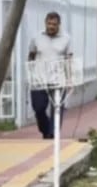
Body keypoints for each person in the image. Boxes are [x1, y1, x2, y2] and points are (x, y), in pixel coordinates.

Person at [28, 11, 72, 140]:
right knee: (38, 108)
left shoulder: (66, 39)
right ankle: (46, 129)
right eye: (49, 23)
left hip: (58, 80)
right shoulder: (36, 38)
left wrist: (69, 80)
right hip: (39, 79)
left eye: (54, 24)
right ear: (45, 23)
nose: (51, 26)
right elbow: (31, 55)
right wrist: (31, 72)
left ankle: (52, 134)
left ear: (59, 25)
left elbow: (68, 60)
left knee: (57, 109)